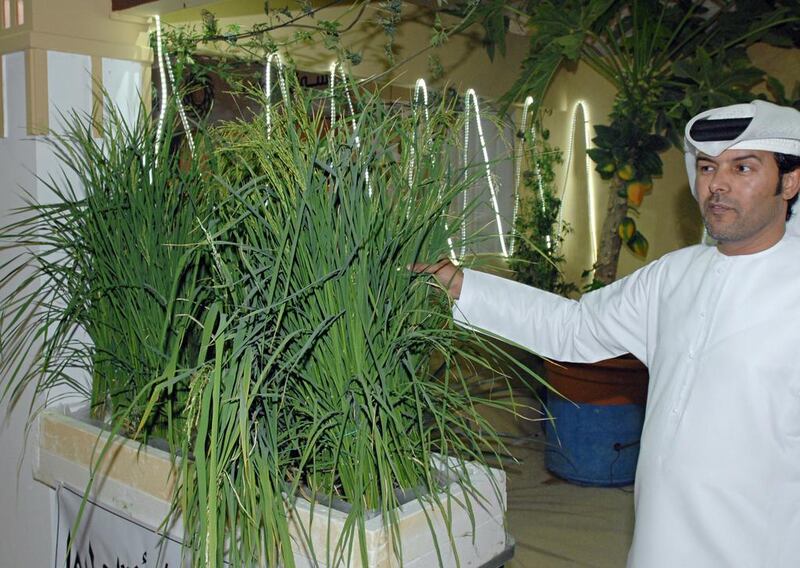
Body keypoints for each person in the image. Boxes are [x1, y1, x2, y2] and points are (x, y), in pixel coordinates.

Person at [414, 100, 800, 568]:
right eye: (706, 167)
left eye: (742, 167)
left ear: (790, 180)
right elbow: (574, 328)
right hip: (660, 541)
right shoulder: (672, 276)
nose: (717, 184)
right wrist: (461, 286)